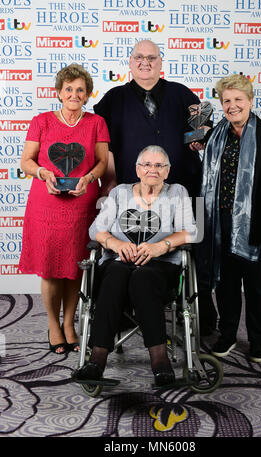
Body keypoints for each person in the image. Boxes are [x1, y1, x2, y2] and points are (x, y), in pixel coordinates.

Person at [94, 38, 218, 335]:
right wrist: (109, 181)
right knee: (130, 251)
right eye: (139, 57)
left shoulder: (182, 93)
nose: (145, 62)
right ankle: (124, 314)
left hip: (189, 188)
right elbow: (104, 147)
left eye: (152, 58)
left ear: (161, 62)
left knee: (196, 248)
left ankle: (202, 316)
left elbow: (203, 129)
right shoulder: (113, 99)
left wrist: (203, 136)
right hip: (133, 195)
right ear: (130, 61)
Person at [71, 145, 197, 386]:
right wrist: (116, 244)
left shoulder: (177, 192)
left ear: (167, 171)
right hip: (119, 263)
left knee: (143, 277)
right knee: (116, 273)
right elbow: (96, 230)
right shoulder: (120, 193)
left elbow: (190, 231)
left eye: (159, 165)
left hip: (159, 265)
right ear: (138, 169)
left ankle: (160, 362)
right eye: (147, 165)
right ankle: (96, 360)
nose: (153, 170)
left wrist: (161, 246)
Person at [197, 74, 261, 363]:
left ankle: (257, 341)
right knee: (225, 284)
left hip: (258, 225)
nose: (232, 105)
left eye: (238, 99)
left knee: (257, 286)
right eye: (227, 100)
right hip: (219, 224)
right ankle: (227, 335)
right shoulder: (213, 137)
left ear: (250, 100)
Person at [19, 63, 110, 354]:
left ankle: (69, 324)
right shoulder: (41, 121)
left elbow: (101, 163)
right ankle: (53, 325)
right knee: (49, 269)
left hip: (81, 203)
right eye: (68, 88)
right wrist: (43, 173)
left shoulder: (97, 123)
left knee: (75, 267)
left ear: (87, 95)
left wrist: (88, 178)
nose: (74, 94)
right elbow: (26, 162)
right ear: (59, 92)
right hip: (45, 204)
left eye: (80, 89)